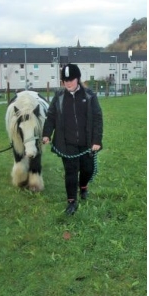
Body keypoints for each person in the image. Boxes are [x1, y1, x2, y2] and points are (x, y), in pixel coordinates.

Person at [42, 63, 103, 215]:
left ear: (78, 79)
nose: (68, 83)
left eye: (71, 80)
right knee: (70, 171)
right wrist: (46, 134)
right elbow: (51, 117)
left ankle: (83, 187)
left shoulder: (89, 96)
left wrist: (96, 141)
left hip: (87, 143)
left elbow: (97, 118)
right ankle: (71, 202)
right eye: (65, 80)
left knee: (87, 170)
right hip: (66, 143)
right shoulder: (59, 97)